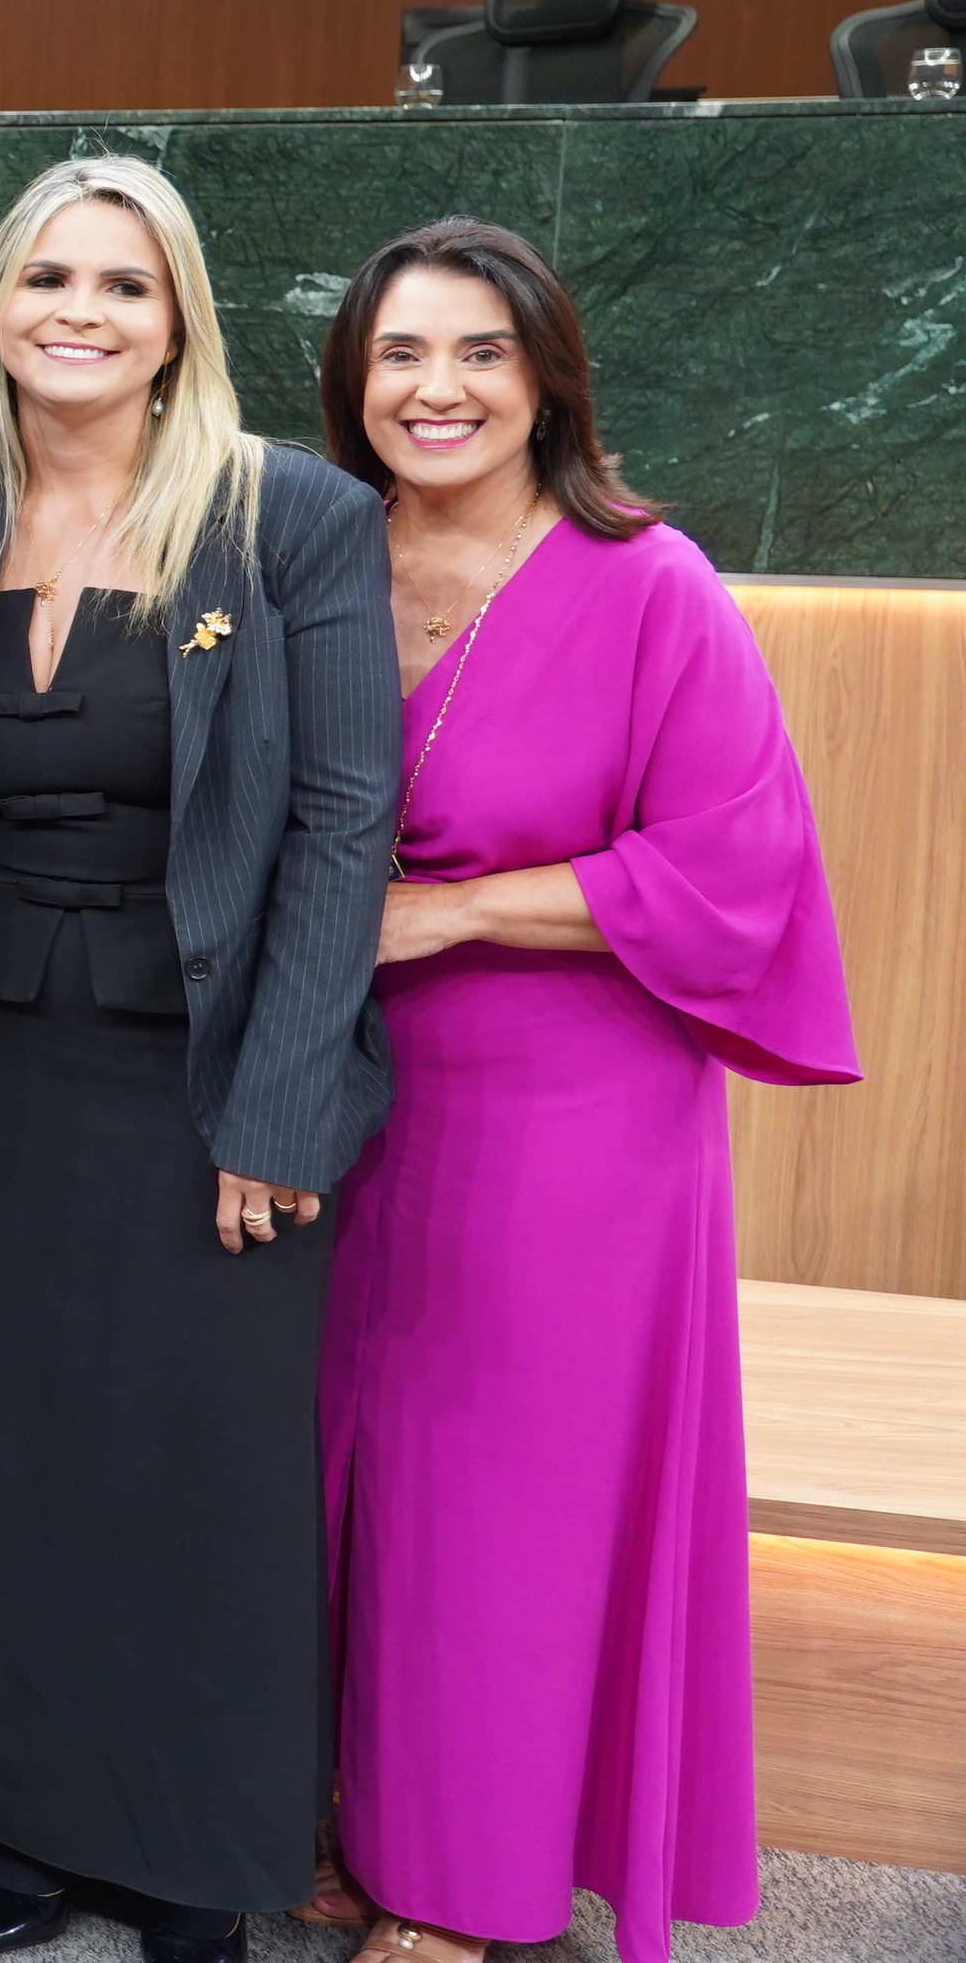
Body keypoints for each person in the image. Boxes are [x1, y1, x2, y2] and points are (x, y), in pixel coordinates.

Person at [0, 160, 395, 1963]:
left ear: (177, 322)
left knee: (187, 1458)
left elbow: (343, 820)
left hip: (201, 1073)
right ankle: (39, 1807)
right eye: (47, 277)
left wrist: (283, 1104)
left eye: (123, 285)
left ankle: (191, 1844)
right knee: (1, 1440)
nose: (80, 310)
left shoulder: (287, 516)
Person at [313, 221, 855, 1963]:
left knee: (497, 1503)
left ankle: (459, 1886)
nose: (438, 388)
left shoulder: (648, 581)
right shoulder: (315, 551)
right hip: (334, 1087)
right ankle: (339, 1806)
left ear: (546, 378)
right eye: (402, 352)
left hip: (572, 1108)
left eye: (481, 351)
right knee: (337, 1457)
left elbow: (734, 864)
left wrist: (454, 907)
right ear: (351, 380)